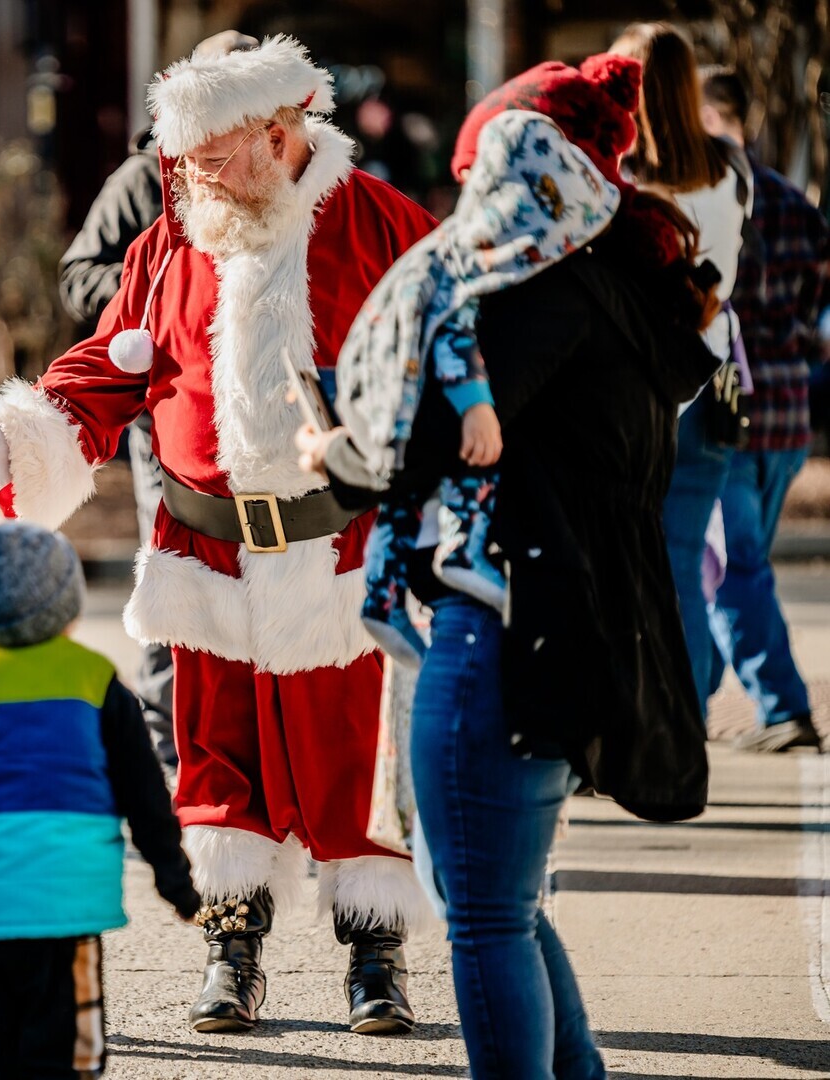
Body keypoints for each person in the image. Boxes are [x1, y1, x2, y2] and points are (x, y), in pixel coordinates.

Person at [0, 35, 439, 1035]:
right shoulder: (172, 239)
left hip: (338, 558)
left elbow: (450, 363)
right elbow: (111, 365)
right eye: (182, 163)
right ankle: (232, 952)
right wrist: (14, 439)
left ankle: (375, 959)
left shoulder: (384, 225)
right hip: (206, 557)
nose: (190, 180)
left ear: (277, 133)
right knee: (217, 773)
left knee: (353, 772)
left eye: (211, 159)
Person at [302, 56, 719, 1078]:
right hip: (565, 625)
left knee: (485, 913)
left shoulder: (535, 291)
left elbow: (433, 443)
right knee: (504, 903)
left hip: (504, 627)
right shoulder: (620, 291)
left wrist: (336, 454)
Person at [0, 522, 199, 1079]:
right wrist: (176, 884)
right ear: (67, 603)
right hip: (61, 899)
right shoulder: (94, 681)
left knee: (9, 1023)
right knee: (69, 1048)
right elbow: (145, 796)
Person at [57, 30, 258, 780]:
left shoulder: (289, 173)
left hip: (260, 419)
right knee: (170, 562)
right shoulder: (146, 176)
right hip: (165, 411)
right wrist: (160, 298)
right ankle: (165, 733)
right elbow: (78, 273)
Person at [610, 23, 754, 724]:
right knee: (683, 564)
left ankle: (661, 727)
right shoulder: (730, 169)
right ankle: (686, 725)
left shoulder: (620, 176)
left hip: (642, 392)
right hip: (709, 376)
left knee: (637, 568)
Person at [700, 68, 828, 752]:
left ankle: (781, 707)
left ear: (712, 116)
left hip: (730, 410)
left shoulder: (715, 195)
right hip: (789, 409)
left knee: (728, 568)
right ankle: (694, 698)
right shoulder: (792, 201)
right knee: (731, 564)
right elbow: (814, 304)